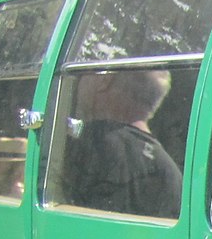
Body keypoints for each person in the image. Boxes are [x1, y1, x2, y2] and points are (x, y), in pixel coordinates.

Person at [58, 68, 182, 218]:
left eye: (82, 75)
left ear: (105, 81)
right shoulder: (171, 174)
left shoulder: (93, 141)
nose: (79, 82)